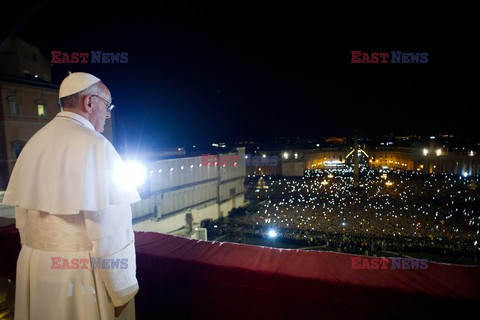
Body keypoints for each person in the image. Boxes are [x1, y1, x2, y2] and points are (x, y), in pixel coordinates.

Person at [2, 72, 141, 319]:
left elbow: (22, 220)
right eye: (106, 106)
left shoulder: (34, 142)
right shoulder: (97, 146)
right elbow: (111, 233)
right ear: (89, 103)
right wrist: (120, 289)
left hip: (34, 267)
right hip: (79, 276)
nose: (108, 114)